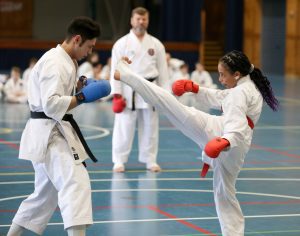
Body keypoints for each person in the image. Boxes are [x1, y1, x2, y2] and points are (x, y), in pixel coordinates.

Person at [113, 50, 279, 236]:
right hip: (229, 137)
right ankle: (234, 234)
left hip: (226, 137)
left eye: (223, 75)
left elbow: (237, 125)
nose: (221, 79)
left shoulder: (240, 92)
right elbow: (224, 99)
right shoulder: (248, 86)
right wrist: (196, 89)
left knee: (168, 104)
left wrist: (225, 141)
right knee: (225, 193)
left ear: (237, 74)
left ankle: (125, 74)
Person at [7, 16, 111, 236]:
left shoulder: (66, 60)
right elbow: (52, 104)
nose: (90, 53)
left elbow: (59, 94)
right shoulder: (55, 62)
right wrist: (83, 97)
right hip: (49, 134)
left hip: (49, 131)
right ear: (77, 39)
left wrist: (79, 86)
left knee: (44, 195)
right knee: (76, 183)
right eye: (89, 47)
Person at [110, 7, 169, 173]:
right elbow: (115, 70)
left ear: (148, 21)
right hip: (128, 91)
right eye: (138, 19)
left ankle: (150, 160)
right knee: (123, 127)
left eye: (144, 19)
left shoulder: (156, 44)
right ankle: (119, 161)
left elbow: (163, 72)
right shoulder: (121, 44)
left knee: (150, 126)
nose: (141, 22)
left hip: (150, 89)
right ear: (131, 20)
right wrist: (117, 94)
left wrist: (165, 95)